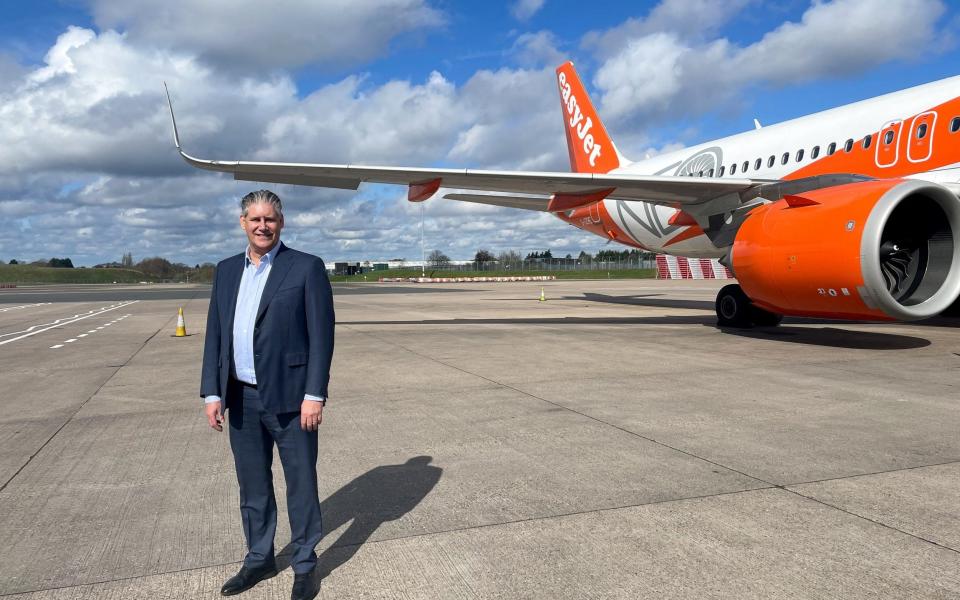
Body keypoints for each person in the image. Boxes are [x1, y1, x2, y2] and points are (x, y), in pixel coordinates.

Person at [200, 189, 334, 600]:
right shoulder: (225, 271)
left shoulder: (306, 267)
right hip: (240, 398)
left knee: (300, 484)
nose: (262, 226)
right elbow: (215, 335)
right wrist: (211, 392)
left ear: (282, 222)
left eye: (270, 219)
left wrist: (315, 393)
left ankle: (305, 564)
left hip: (293, 398)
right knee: (253, 485)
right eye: (255, 219)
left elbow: (322, 336)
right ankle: (259, 557)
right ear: (242, 222)